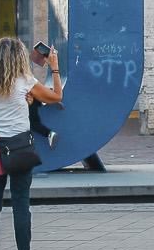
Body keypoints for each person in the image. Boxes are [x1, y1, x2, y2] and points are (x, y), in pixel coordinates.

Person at [0, 35, 59, 250]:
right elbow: (56, 98)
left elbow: (7, 100)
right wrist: (55, 67)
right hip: (20, 146)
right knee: (21, 202)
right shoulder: (25, 81)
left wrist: (27, 101)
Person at [26, 41, 107, 172]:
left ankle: (48, 134)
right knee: (33, 120)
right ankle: (48, 133)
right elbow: (57, 95)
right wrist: (54, 67)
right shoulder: (26, 81)